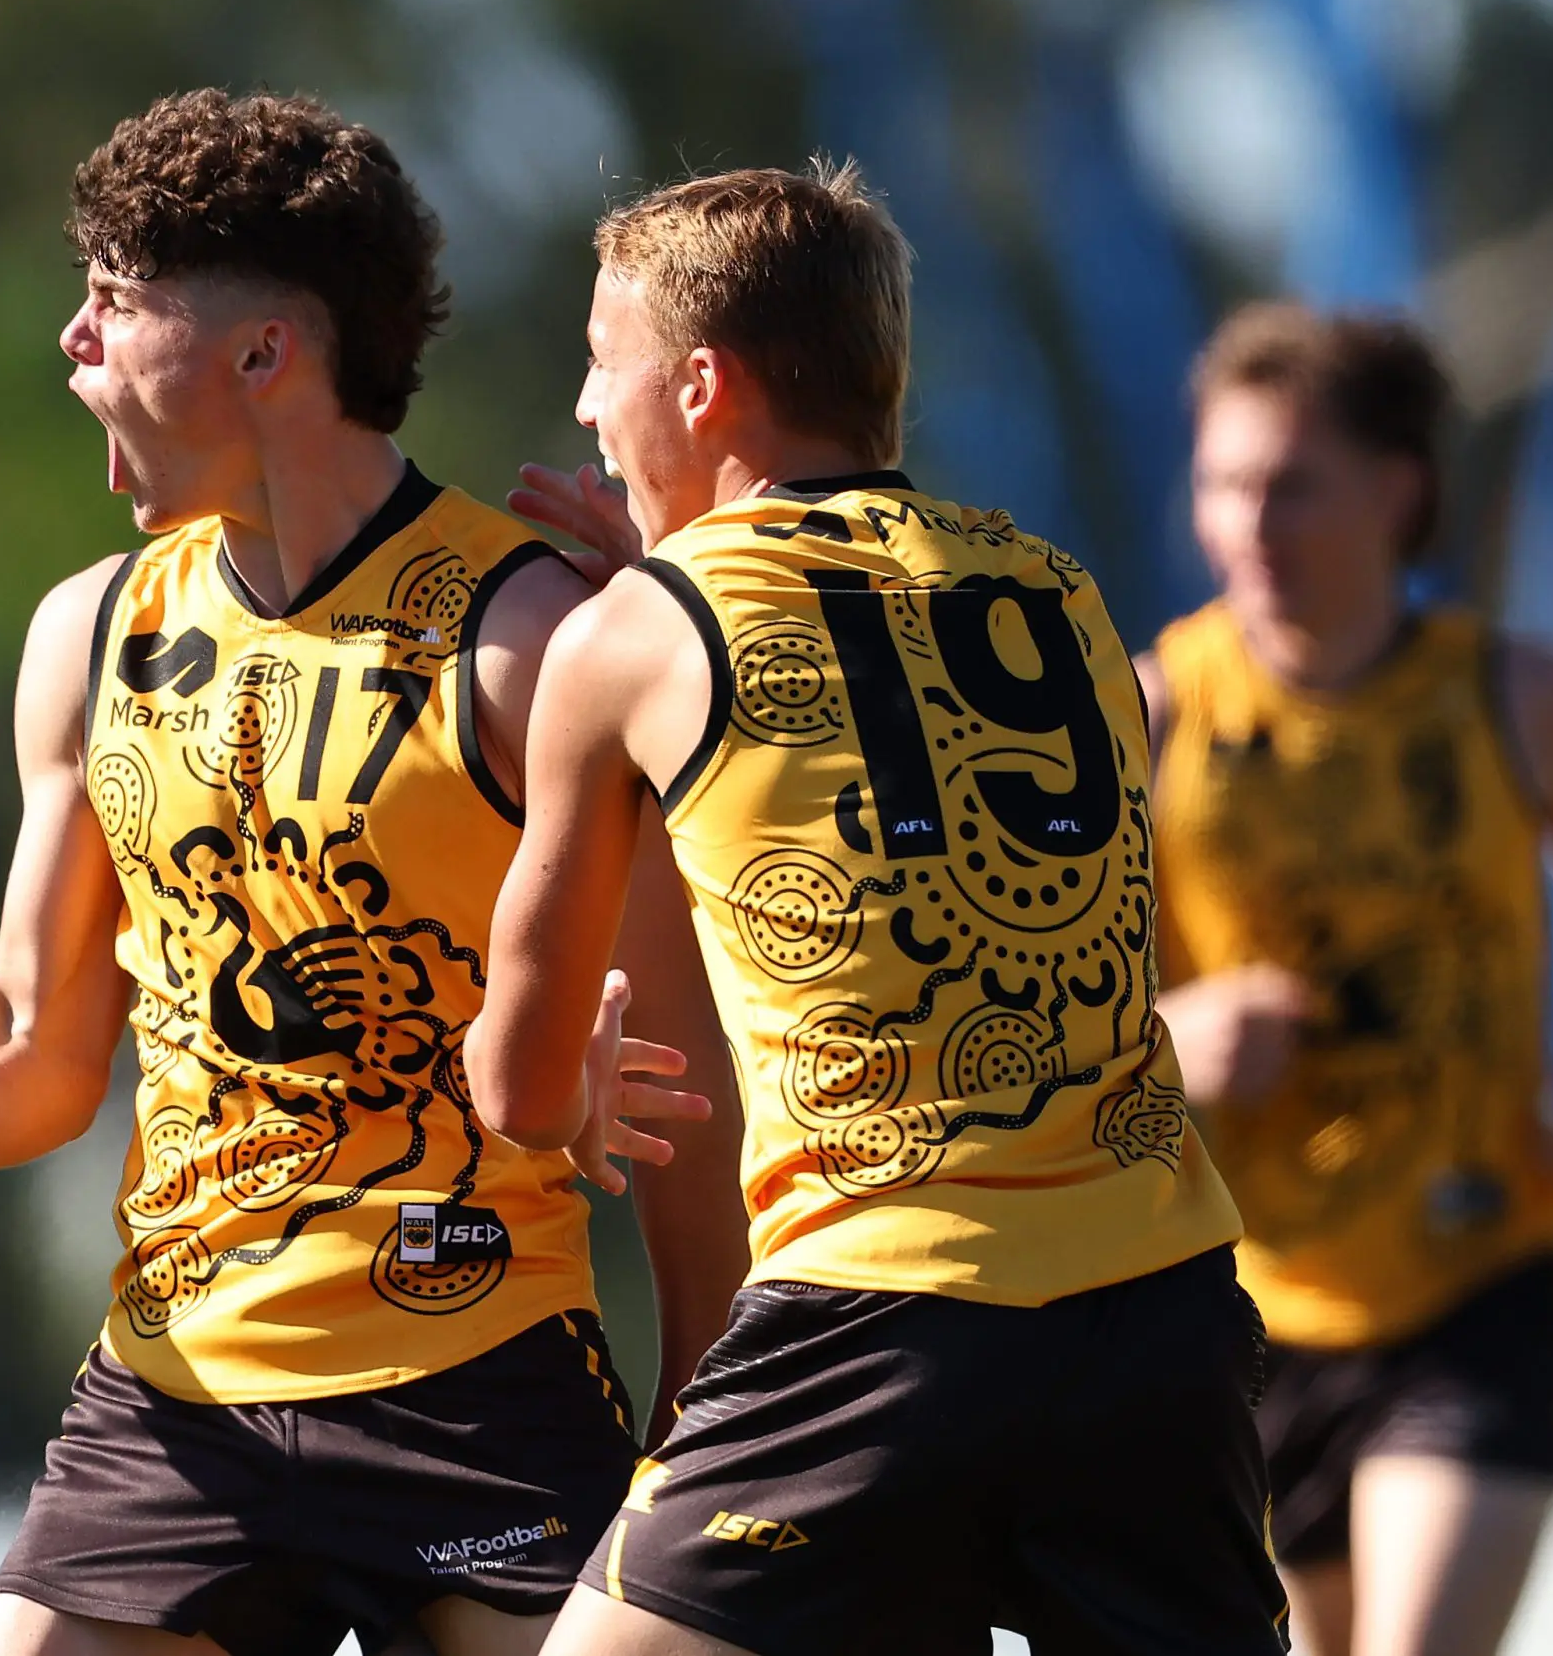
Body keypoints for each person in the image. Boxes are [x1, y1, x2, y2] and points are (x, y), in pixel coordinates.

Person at [0, 88, 746, 1656]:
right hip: (174, 1401)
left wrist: (704, 1421)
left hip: (480, 1381)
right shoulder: (92, 631)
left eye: (115, 303)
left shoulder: (533, 638)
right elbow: (34, 1042)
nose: (72, 345)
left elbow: (687, 1088)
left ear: (266, 354)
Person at [466, 162, 1290, 1656]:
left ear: (702, 385)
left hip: (879, 1316)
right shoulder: (1064, 591)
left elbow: (519, 1090)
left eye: (605, 362)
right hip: (1161, 1320)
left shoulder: (630, 638)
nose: (588, 408)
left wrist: (568, 1092)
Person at [1138, 302, 1553, 1656]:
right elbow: (1049, 1003)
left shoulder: (1518, 696)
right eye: (1223, 484)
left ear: (1401, 489)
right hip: (1243, 1309)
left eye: (1291, 485)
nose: (1248, 524)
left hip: (1481, 1276)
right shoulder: (1149, 708)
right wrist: (1174, 1034)